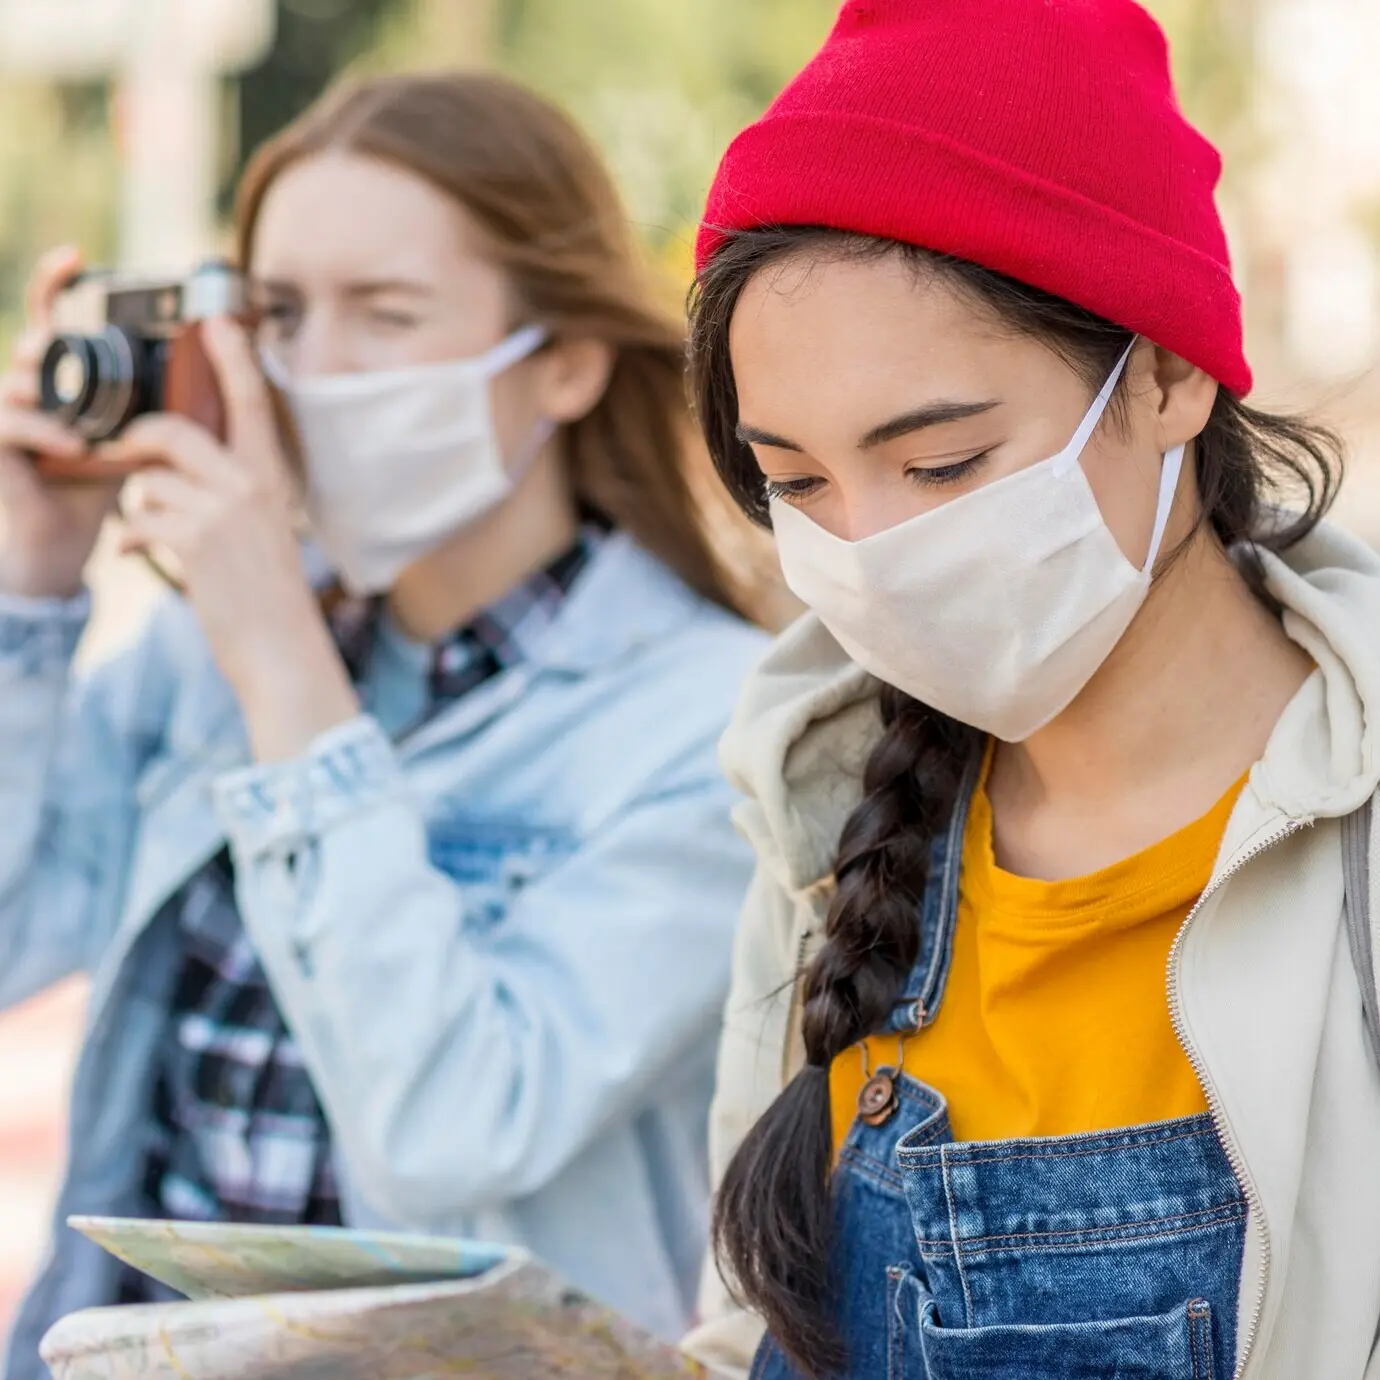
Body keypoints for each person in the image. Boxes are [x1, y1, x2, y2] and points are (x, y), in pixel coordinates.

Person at [0, 71, 766, 1378]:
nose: (312, 372)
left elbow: (461, 1124)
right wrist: (32, 593)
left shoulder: (712, 721)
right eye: (281, 313)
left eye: (386, 314)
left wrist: (286, 674)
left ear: (567, 361)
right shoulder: (203, 652)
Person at [678, 2, 1380, 1377]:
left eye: (940, 467)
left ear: (1171, 369)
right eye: (798, 483)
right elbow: (739, 1329)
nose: (871, 551)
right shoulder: (814, 806)